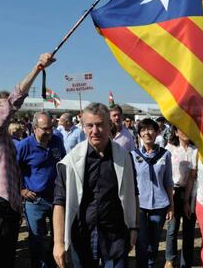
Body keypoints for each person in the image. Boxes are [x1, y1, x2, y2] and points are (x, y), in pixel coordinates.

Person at [0, 53, 54, 268]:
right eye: (4, 108)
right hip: (0, 202)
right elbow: (16, 98)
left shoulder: (4, 137)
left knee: (7, 255)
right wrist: (37, 68)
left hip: (8, 202)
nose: (10, 113)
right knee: (1, 255)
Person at [53, 102, 139, 268]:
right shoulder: (70, 161)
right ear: (83, 127)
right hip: (83, 234)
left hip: (115, 234)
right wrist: (58, 243)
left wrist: (134, 227)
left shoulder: (124, 158)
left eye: (100, 125)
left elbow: (133, 193)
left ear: (109, 125)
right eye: (89, 125)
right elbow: (59, 202)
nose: (95, 131)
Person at [16, 111, 66, 267]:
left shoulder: (57, 141)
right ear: (34, 128)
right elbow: (13, 170)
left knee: (57, 236)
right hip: (34, 200)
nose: (49, 132)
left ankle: (51, 264)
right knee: (36, 238)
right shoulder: (24, 146)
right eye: (45, 129)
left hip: (56, 198)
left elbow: (63, 164)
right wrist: (21, 190)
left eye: (51, 128)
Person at [131, 118, 174, 268]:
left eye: (150, 129)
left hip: (160, 204)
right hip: (139, 205)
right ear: (139, 134)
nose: (147, 133)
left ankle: (150, 263)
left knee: (154, 242)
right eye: (143, 130)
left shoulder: (165, 155)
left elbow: (168, 181)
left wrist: (171, 206)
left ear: (157, 132)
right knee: (141, 241)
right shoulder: (133, 155)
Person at [165, 127, 197, 268]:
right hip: (174, 191)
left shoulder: (195, 149)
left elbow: (193, 175)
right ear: (176, 132)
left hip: (191, 192)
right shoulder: (170, 148)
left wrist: (188, 199)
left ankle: (186, 263)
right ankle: (170, 259)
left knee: (189, 230)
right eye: (181, 129)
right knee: (172, 228)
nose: (185, 131)